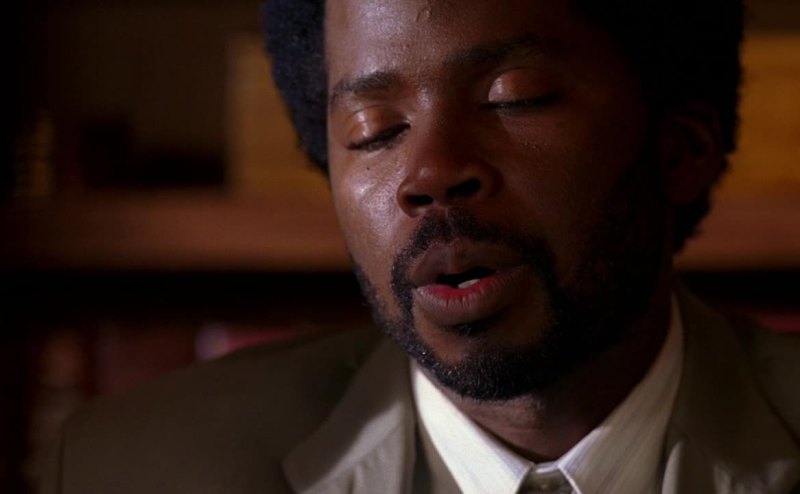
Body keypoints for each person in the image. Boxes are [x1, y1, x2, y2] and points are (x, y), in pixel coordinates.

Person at [41, 0, 800, 493]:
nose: (430, 175)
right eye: (375, 131)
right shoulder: (136, 469)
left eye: (513, 97)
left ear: (680, 149)